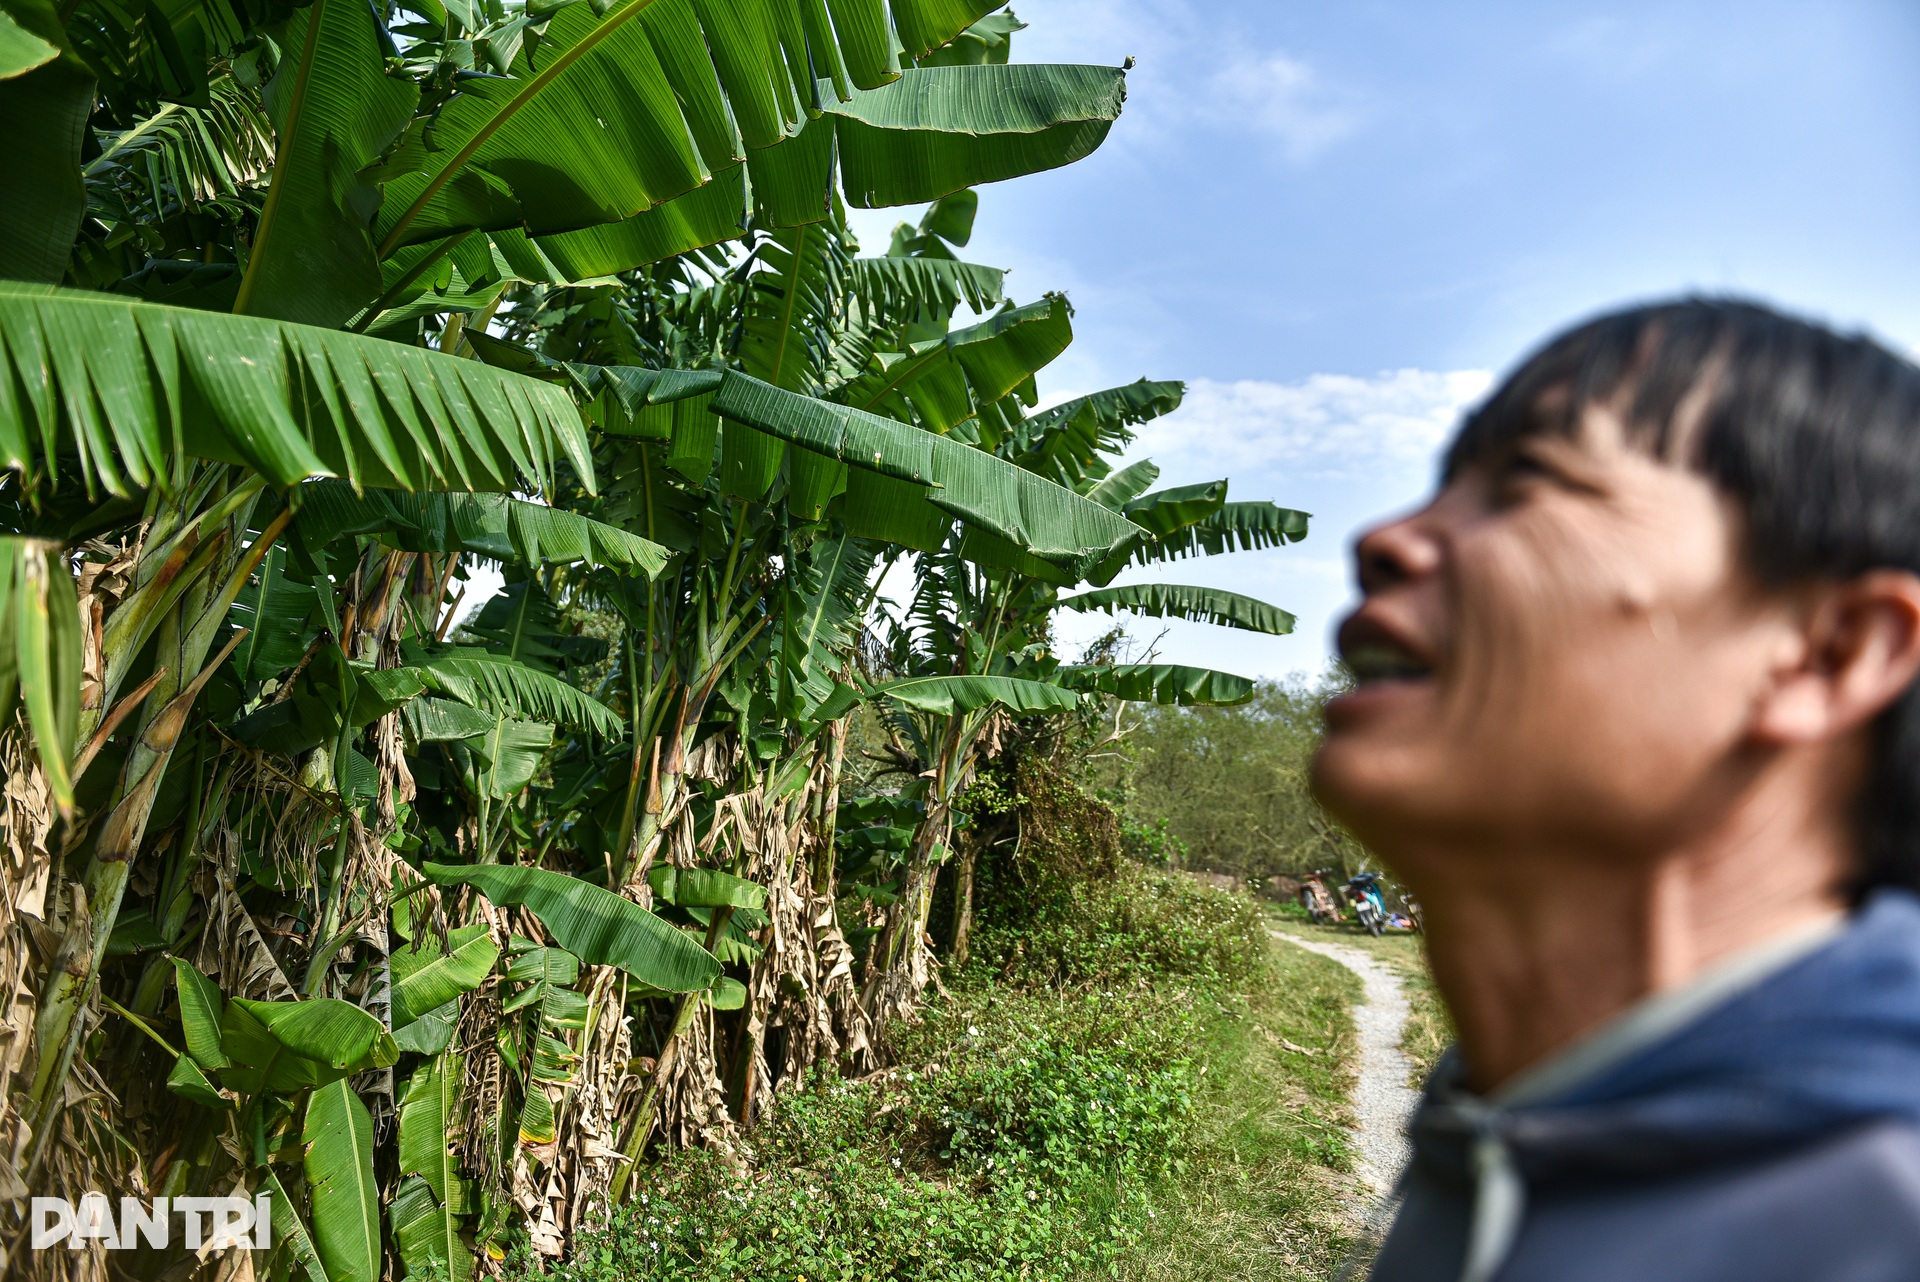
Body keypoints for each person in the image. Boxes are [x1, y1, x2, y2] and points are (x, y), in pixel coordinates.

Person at [1312, 299, 1920, 1282]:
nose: (1383, 538)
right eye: (1441, 486)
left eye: (1530, 482)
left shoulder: (1884, 1220)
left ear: (1827, 655)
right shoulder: (1500, 1143)